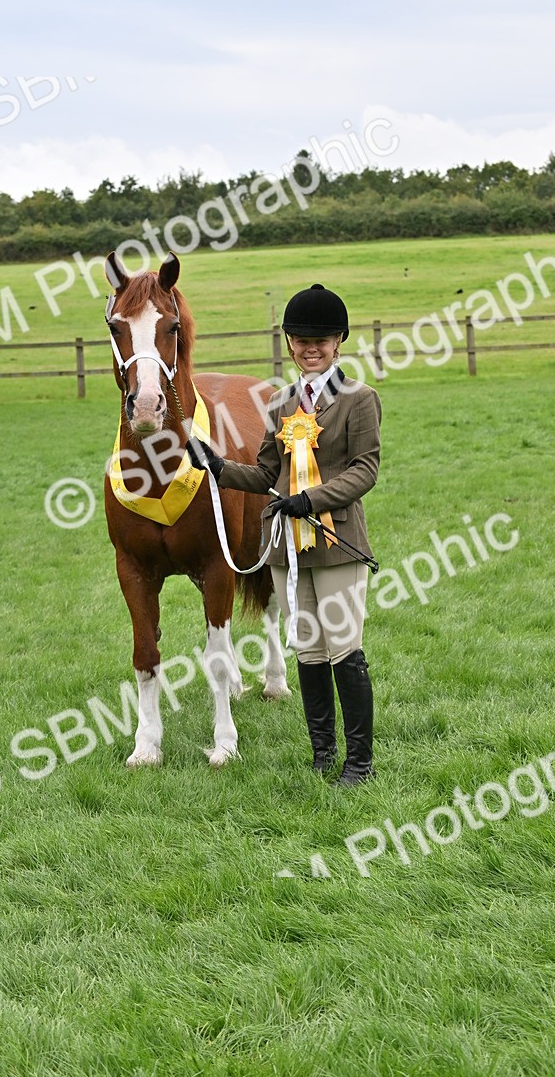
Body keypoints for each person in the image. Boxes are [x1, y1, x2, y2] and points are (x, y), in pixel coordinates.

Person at [187, 283, 382, 786]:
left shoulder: (359, 399)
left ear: (339, 341)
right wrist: (220, 468)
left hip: (337, 544)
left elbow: (365, 470)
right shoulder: (279, 404)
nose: (310, 348)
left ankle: (359, 762)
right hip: (287, 548)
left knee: (344, 648)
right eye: (300, 339)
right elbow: (265, 474)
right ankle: (323, 755)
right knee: (311, 650)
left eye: (321, 339)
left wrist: (310, 500)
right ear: (290, 343)